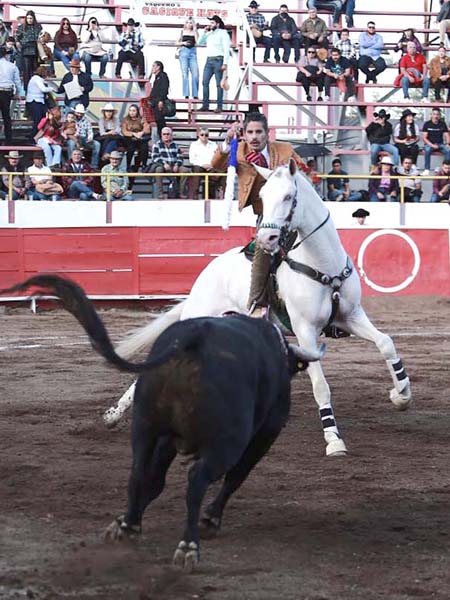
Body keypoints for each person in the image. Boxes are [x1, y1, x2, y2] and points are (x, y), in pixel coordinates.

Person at [210, 112, 309, 317]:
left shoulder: (285, 149)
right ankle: (256, 301)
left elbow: (303, 173)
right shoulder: (238, 152)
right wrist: (228, 143)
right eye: (250, 132)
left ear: (267, 133)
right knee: (263, 250)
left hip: (291, 211)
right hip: (267, 214)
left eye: (258, 132)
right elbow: (216, 165)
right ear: (244, 134)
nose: (254, 137)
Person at [198, 15, 231, 112]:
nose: (210, 25)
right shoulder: (209, 33)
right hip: (209, 60)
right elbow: (200, 42)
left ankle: (219, 106)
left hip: (218, 59)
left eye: (212, 23)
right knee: (205, 82)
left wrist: (225, 63)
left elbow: (226, 49)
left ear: (217, 24)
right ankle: (205, 105)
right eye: (210, 23)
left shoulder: (223, 33)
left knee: (218, 84)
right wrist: (204, 33)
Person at [148, 127, 190, 199]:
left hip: (174, 165)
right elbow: (155, 157)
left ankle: (181, 192)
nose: (166, 135)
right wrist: (164, 164)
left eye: (168, 134)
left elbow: (180, 157)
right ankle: (160, 193)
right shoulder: (157, 145)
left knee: (185, 170)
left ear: (171, 135)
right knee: (158, 170)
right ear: (161, 135)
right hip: (162, 166)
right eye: (164, 134)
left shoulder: (176, 145)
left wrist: (177, 165)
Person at [189, 127, 220, 198]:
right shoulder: (194, 145)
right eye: (202, 135)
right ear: (198, 135)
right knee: (197, 170)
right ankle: (195, 195)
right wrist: (203, 165)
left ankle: (211, 196)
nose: (204, 137)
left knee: (217, 171)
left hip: (211, 167)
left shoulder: (213, 144)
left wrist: (211, 165)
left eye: (206, 135)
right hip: (199, 166)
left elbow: (216, 157)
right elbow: (192, 160)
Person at [68, 103, 101, 168]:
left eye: (81, 113)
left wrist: (90, 137)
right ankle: (70, 162)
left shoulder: (87, 121)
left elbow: (90, 131)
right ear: (75, 112)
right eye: (78, 113)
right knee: (71, 143)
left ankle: (94, 165)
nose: (79, 114)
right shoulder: (71, 119)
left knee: (97, 144)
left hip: (84, 138)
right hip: (74, 138)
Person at [0, 46, 22, 144]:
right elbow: (17, 82)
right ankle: (9, 140)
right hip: (7, 91)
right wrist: (18, 93)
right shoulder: (12, 66)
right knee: (6, 116)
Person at [121, 103, 150, 173]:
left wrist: (142, 133)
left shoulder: (141, 119)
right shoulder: (125, 120)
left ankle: (144, 165)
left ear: (137, 111)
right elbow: (124, 131)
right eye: (130, 110)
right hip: (129, 138)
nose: (132, 112)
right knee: (131, 147)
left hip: (140, 137)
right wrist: (133, 134)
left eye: (134, 111)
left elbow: (147, 128)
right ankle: (128, 165)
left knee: (144, 146)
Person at [16, 10, 42, 88]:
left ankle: (35, 86)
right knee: (26, 70)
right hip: (26, 49)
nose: (29, 20)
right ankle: (27, 87)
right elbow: (17, 38)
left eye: (31, 18)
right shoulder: (22, 27)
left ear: (33, 18)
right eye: (28, 18)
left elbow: (41, 36)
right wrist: (18, 43)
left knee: (35, 69)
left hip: (35, 49)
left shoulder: (38, 27)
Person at [25, 65, 52, 138]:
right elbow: (43, 89)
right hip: (35, 101)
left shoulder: (37, 79)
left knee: (43, 119)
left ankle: (38, 135)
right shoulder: (36, 79)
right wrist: (52, 88)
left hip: (38, 102)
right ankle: (33, 136)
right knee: (38, 120)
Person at [421, 107, 450, 174]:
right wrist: (432, 145)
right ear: (431, 115)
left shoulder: (442, 123)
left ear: (440, 116)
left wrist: (448, 144)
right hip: (430, 144)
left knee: (448, 150)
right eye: (434, 114)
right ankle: (427, 169)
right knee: (427, 150)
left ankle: (446, 169)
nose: (436, 116)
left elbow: (446, 135)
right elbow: (424, 138)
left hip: (440, 144)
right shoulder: (427, 124)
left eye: (437, 114)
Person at [175, 17, 199, 97]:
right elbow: (176, 43)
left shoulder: (194, 32)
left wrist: (195, 30)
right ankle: (186, 94)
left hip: (192, 52)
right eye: (187, 22)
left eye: (191, 23)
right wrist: (184, 43)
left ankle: (195, 94)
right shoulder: (182, 32)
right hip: (184, 51)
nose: (189, 24)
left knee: (195, 74)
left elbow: (197, 41)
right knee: (185, 74)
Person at [149, 60, 169, 136]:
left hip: (158, 102)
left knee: (160, 121)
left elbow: (164, 89)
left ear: (158, 67)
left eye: (154, 66)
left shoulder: (163, 76)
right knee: (158, 122)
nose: (152, 68)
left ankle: (164, 137)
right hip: (154, 102)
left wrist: (161, 100)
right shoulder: (156, 77)